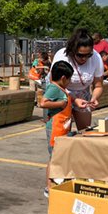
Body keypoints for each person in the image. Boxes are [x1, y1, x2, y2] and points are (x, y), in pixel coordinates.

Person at [41, 60, 86, 198]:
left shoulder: (61, 89)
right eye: (69, 79)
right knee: (54, 158)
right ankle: (48, 186)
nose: (70, 82)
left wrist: (75, 101)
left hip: (63, 127)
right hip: (55, 129)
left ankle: (57, 182)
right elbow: (43, 102)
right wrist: (61, 103)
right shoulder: (53, 88)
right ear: (63, 78)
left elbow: (68, 97)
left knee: (59, 156)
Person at [51, 28, 104, 132]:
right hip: (62, 93)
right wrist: (73, 100)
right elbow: (54, 84)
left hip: (82, 94)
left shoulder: (96, 58)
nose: (84, 58)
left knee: (85, 131)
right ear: (72, 50)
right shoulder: (62, 56)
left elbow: (98, 85)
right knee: (61, 132)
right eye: (80, 55)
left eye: (88, 55)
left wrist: (94, 97)